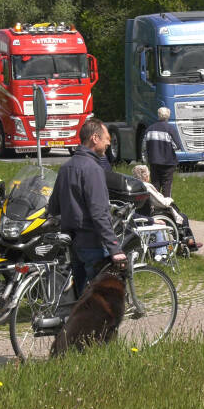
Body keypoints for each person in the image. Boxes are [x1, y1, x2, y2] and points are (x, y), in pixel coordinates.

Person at [48, 118, 126, 296]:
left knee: (81, 296)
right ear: (95, 138)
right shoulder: (93, 169)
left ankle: (77, 322)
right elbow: (99, 213)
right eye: (106, 138)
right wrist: (114, 248)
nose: (108, 143)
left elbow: (53, 207)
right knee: (102, 297)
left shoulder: (66, 168)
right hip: (92, 243)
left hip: (73, 244)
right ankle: (99, 324)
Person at [131, 164, 202, 252]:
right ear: (145, 176)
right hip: (154, 213)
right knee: (182, 217)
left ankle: (186, 241)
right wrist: (169, 200)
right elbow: (161, 203)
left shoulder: (134, 186)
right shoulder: (146, 187)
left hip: (142, 213)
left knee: (179, 216)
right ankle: (187, 241)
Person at [144, 107, 184, 198]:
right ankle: (166, 207)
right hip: (168, 162)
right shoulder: (170, 129)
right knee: (167, 186)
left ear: (158, 115)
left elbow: (144, 147)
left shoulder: (150, 129)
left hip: (154, 161)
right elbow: (177, 146)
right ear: (168, 116)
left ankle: (154, 206)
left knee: (155, 186)